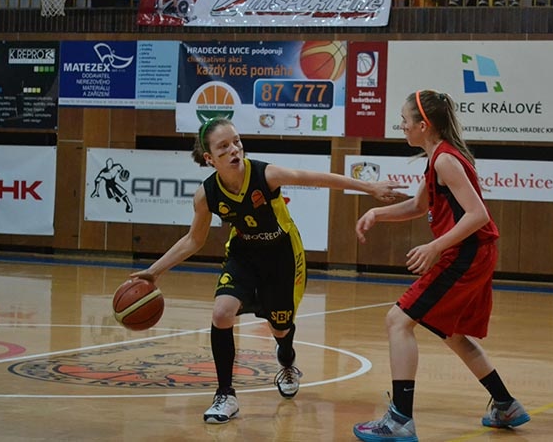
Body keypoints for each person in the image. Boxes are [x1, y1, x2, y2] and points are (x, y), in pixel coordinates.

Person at [130, 117, 407, 424]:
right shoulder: (206, 195)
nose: (234, 149)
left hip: (282, 258)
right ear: (209, 158)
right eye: (224, 146)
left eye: (236, 141)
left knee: (280, 329)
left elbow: (316, 177)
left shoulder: (265, 174)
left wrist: (369, 186)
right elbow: (194, 239)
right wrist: (154, 272)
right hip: (243, 256)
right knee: (222, 313)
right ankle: (226, 395)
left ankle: (286, 361)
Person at [352, 90, 530, 441]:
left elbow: (478, 215)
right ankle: (505, 403)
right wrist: (376, 213)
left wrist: (435, 246)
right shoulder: (436, 158)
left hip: (466, 254)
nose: (402, 126)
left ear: (424, 125)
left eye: (405, 120)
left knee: (397, 321)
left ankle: (400, 420)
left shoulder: (445, 160)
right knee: (452, 332)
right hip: (471, 253)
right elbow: (418, 206)